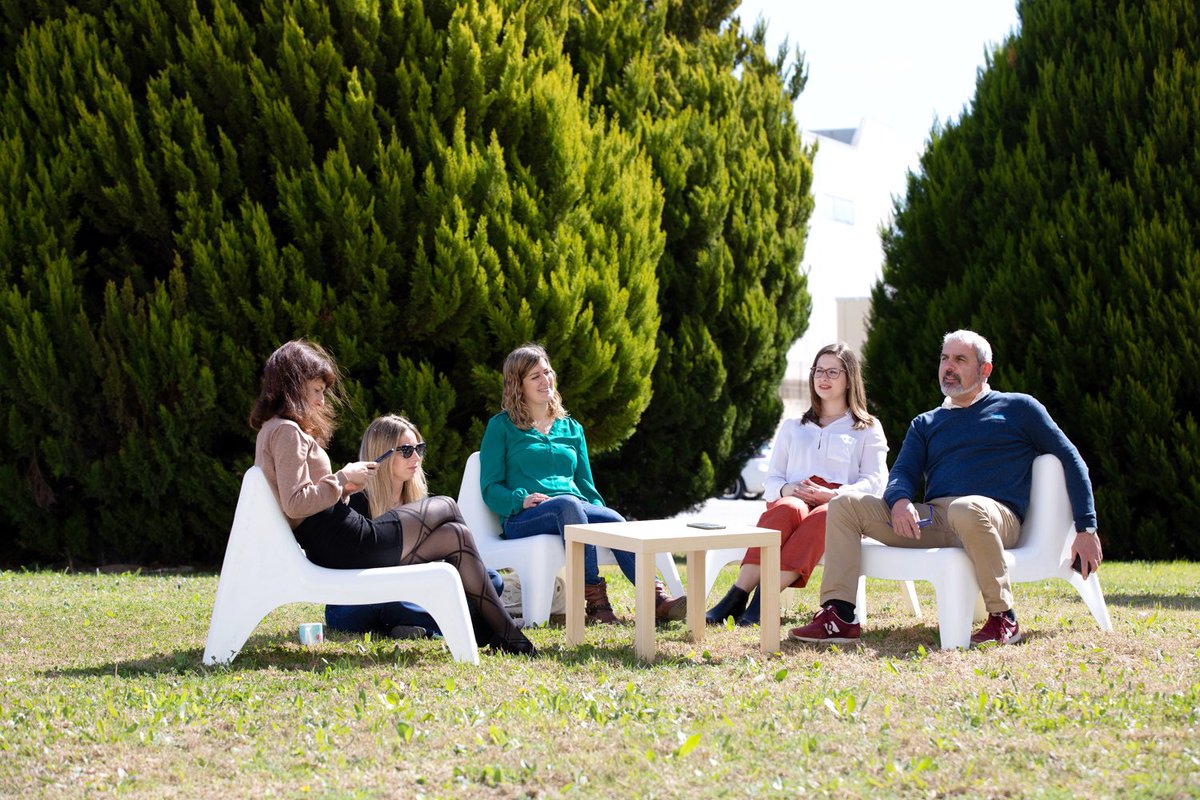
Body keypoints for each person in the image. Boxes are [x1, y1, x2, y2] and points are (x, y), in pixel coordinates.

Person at [789, 330, 1103, 647]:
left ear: (985, 370)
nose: (948, 367)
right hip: (936, 519)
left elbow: (1071, 459)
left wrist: (1086, 527)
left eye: (959, 359)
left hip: (995, 517)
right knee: (846, 505)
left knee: (965, 508)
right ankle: (839, 616)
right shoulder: (926, 423)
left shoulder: (1018, 409)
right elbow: (902, 474)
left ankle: (1003, 618)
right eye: (944, 359)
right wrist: (899, 502)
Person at [250, 339, 534, 656]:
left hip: (338, 540)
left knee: (455, 534)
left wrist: (342, 488)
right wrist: (342, 478)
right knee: (448, 507)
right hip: (347, 542)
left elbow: (303, 503)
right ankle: (503, 632)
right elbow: (295, 502)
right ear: (293, 386)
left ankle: (502, 634)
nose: (321, 400)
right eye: (316, 390)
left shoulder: (272, 430)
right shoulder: (287, 431)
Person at [479, 343, 686, 624]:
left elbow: (585, 485)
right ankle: (597, 604)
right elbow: (490, 488)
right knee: (567, 505)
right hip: (525, 516)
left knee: (612, 517)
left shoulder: (571, 427)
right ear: (518, 385)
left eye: (547, 372)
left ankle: (656, 599)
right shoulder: (501, 426)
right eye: (535, 376)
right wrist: (520, 500)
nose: (545, 380)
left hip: (573, 508)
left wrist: (598, 514)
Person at [706, 343, 888, 627]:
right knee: (788, 507)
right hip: (795, 502)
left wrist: (834, 494)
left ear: (850, 378)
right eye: (818, 371)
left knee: (828, 513)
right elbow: (773, 480)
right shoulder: (794, 427)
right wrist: (788, 490)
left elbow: (876, 482)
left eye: (832, 372)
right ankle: (737, 595)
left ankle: (764, 599)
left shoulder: (866, 428)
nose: (823, 378)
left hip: (844, 510)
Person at [325, 414, 506, 640]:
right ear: (382, 454)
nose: (416, 457)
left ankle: (411, 626)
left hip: (411, 594)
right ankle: (467, 623)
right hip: (354, 603)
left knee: (492, 579)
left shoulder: (417, 504)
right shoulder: (356, 502)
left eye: (418, 448)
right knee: (391, 602)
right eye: (406, 451)